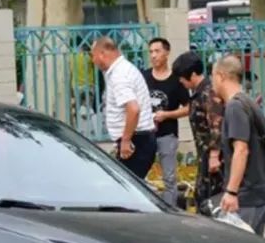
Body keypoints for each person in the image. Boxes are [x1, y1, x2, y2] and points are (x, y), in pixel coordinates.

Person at [214, 56, 265, 235]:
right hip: (257, 192)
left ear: (221, 76)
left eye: (213, 77)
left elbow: (241, 150)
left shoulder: (235, 107)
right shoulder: (248, 102)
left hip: (247, 196)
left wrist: (232, 192)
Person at [90, 37, 157, 179]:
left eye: (93, 55)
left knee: (125, 187)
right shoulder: (122, 70)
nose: (93, 60)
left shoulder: (119, 75)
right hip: (138, 140)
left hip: (135, 142)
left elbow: (133, 109)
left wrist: (126, 140)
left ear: (102, 54)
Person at [173, 50, 224, 214]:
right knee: (202, 197)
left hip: (214, 160)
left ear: (193, 74)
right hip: (204, 155)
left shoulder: (208, 93)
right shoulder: (198, 93)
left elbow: (217, 124)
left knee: (211, 201)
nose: (180, 81)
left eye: (182, 77)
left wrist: (214, 155)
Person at [144, 38, 191, 207]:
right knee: (139, 176)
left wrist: (167, 115)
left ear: (167, 53)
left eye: (157, 51)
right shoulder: (144, 77)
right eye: (151, 52)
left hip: (167, 134)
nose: (153, 55)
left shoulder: (176, 80)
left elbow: (189, 107)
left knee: (169, 178)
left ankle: (170, 210)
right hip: (145, 134)